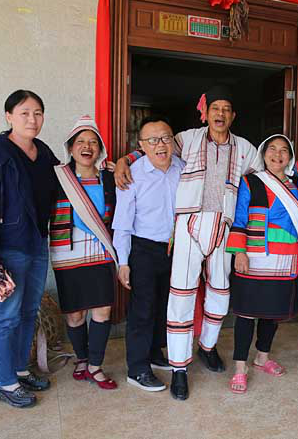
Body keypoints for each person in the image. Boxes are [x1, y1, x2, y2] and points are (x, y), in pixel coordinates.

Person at [114, 85, 257, 400]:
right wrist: (125, 159)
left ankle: (207, 346)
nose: (220, 114)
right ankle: (179, 369)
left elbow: (264, 177)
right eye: (215, 108)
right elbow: (155, 146)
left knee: (219, 294)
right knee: (179, 298)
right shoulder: (187, 140)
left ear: (233, 115)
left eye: (226, 109)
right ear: (205, 112)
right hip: (185, 231)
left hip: (223, 228)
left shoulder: (246, 148)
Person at [0, 90, 59, 408]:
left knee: (28, 312)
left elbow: (64, 182)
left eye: (38, 113)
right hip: (7, 247)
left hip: (37, 243)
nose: (32, 119)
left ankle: (20, 370)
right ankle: (5, 383)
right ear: (9, 116)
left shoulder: (43, 152)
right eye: (24, 113)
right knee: (6, 317)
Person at [225, 134, 298, 393]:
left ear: (290, 157)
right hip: (254, 257)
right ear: (263, 153)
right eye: (272, 149)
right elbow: (239, 218)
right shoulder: (250, 182)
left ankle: (262, 358)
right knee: (246, 313)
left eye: (284, 150)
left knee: (272, 312)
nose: (277, 155)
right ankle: (240, 368)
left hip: (284, 258)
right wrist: (239, 252)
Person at [112, 116, 184, 392]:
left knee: (164, 304)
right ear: (141, 145)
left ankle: (154, 352)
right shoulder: (132, 174)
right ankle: (138, 369)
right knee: (142, 309)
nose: (160, 145)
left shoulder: (183, 169)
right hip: (143, 248)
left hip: (175, 248)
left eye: (165, 138)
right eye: (153, 140)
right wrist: (123, 262)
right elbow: (122, 222)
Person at [49, 115, 119, 390]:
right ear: (70, 147)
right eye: (80, 141)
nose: (87, 147)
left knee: (102, 309)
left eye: (93, 142)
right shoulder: (57, 177)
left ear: (100, 149)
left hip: (101, 251)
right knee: (75, 314)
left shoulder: (110, 178)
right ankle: (81, 358)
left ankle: (95, 366)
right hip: (67, 252)